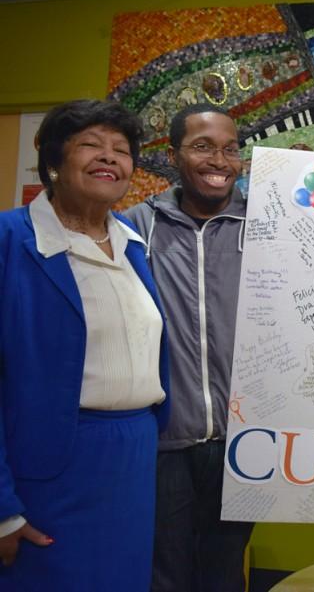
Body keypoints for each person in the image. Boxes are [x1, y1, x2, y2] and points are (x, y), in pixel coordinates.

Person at [0, 99, 169, 590]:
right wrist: (2, 508)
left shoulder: (131, 243)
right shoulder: (11, 240)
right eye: (91, 146)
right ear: (54, 162)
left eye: (121, 150)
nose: (109, 157)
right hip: (52, 466)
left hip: (133, 459)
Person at [125, 103, 252, 592]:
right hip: (165, 441)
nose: (218, 160)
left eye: (229, 148)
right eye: (202, 146)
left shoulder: (269, 221)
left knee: (223, 573)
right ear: (173, 155)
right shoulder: (138, 226)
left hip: (243, 442)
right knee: (165, 573)